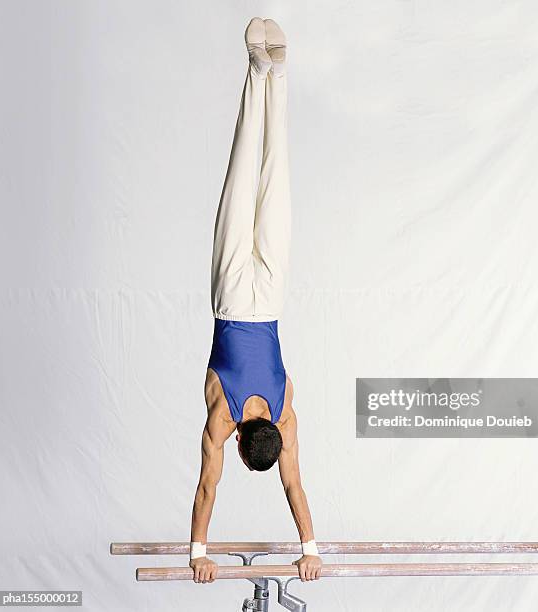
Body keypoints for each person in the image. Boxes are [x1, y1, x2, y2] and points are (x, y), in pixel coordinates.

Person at [188, 18, 322, 585]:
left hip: (269, 300)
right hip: (231, 296)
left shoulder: (287, 410)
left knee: (274, 176)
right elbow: (207, 485)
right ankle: (257, 70)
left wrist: (311, 546)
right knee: (243, 175)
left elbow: (294, 484)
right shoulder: (221, 418)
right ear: (240, 440)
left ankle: (276, 71)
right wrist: (198, 552)